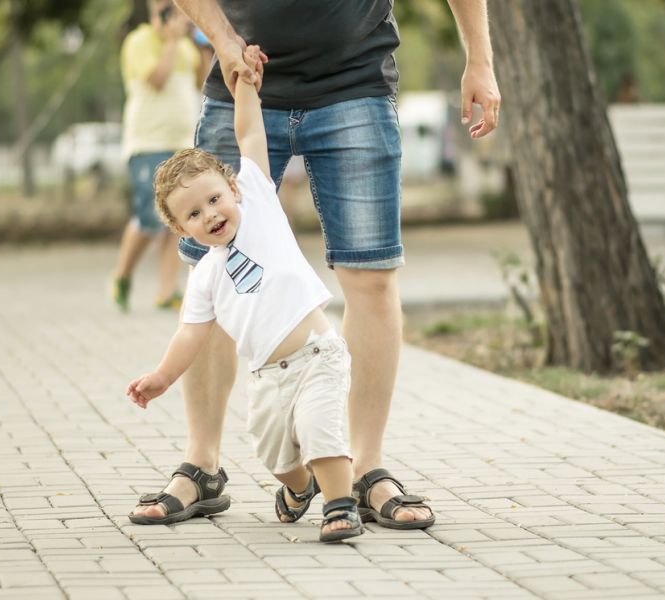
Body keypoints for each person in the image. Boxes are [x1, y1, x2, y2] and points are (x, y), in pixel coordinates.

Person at [131, 0, 500, 529]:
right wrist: (222, 37)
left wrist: (479, 60)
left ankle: (365, 469)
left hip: (355, 83)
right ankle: (202, 465)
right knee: (208, 279)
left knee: (371, 278)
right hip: (243, 77)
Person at [127, 48, 363, 543]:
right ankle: (300, 490)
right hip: (265, 377)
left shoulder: (256, 200)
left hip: (316, 354)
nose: (211, 214)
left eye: (214, 199)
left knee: (322, 433)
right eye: (194, 214)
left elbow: (250, 135)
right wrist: (161, 377)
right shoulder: (206, 277)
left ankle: (340, 507)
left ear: (232, 188)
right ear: (180, 228)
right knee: (275, 455)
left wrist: (247, 89)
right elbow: (190, 336)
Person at [110, 1, 202, 311]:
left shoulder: (186, 47)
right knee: (150, 217)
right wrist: (173, 41)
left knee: (176, 218)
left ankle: (166, 292)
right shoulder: (139, 42)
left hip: (181, 144)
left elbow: (201, 83)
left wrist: (199, 41)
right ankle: (122, 275)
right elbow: (157, 78)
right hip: (147, 144)